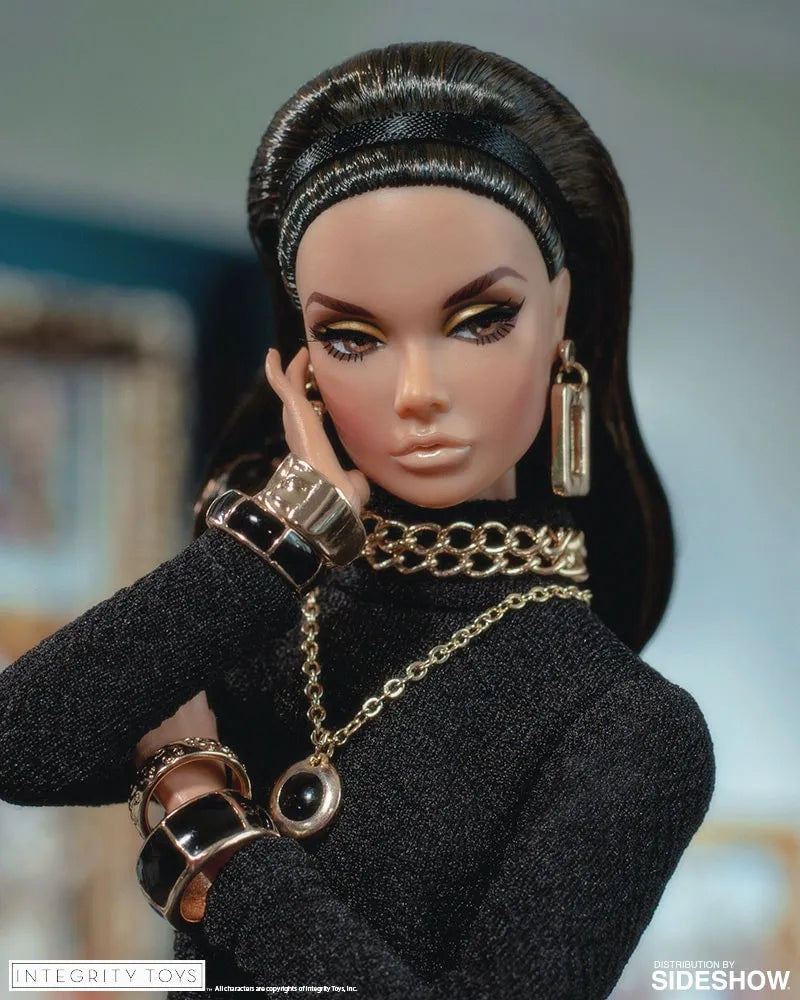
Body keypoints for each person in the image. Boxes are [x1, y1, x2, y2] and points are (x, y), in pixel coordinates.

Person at [0, 40, 714, 999]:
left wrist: (208, 831)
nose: (418, 392)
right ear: (300, 364)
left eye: (478, 320)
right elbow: (21, 743)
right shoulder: (264, 607)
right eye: (351, 337)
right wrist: (282, 534)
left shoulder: (625, 725)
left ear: (562, 315)